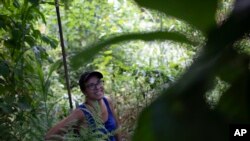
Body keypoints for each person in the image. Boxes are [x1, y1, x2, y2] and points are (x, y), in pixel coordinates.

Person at [45, 71, 121, 141]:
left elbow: (117, 127)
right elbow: (50, 136)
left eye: (98, 82)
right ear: (84, 91)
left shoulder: (107, 101)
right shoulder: (81, 112)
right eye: (91, 85)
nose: (97, 87)